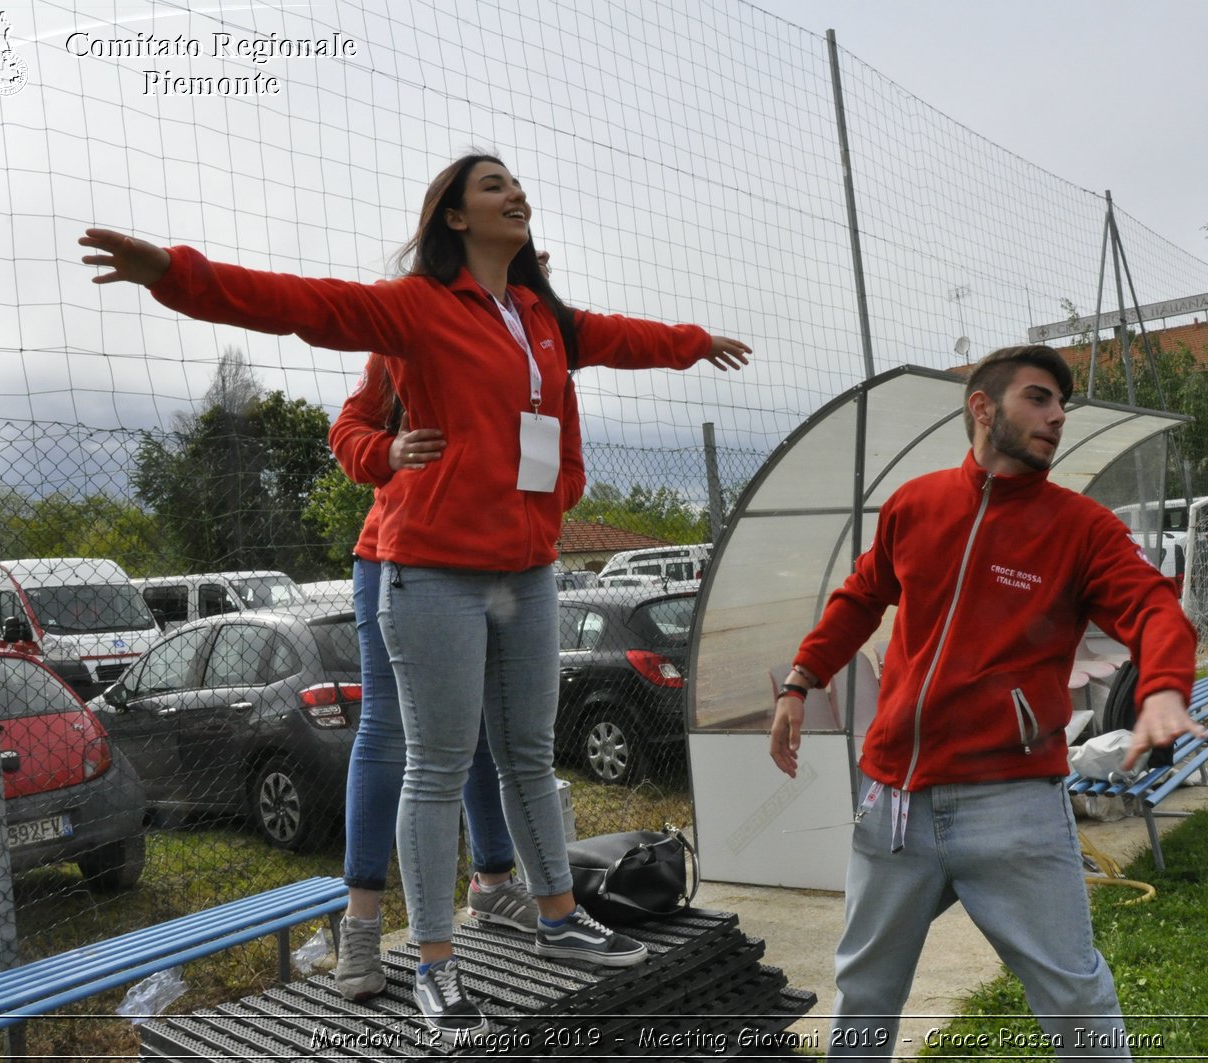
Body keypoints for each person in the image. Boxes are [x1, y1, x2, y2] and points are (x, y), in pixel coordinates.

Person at [81, 153, 751, 1035]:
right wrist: (175, 274)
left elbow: (624, 338)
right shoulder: (416, 308)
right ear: (455, 219)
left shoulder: (543, 317)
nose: (515, 193)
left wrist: (693, 343)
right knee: (434, 763)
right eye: (492, 186)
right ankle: (434, 963)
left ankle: (558, 918)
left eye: (517, 183)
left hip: (527, 569)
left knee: (524, 751)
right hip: (429, 568)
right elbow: (300, 305)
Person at [768, 345, 1203, 1061]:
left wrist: (1161, 686)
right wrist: (801, 679)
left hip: (1014, 808)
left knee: (1075, 999)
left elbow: (1155, 606)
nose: (1058, 416)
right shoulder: (915, 505)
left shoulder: (1080, 527)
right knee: (866, 994)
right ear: (982, 408)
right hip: (895, 810)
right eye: (1039, 398)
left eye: (1062, 404)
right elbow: (860, 597)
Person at [327, 350, 536, 1003]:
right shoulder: (411, 324)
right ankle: (361, 926)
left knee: (469, 717)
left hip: (487, 555)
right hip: (397, 552)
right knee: (389, 727)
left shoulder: (522, 331)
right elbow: (350, 430)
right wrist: (388, 451)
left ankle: (493, 882)